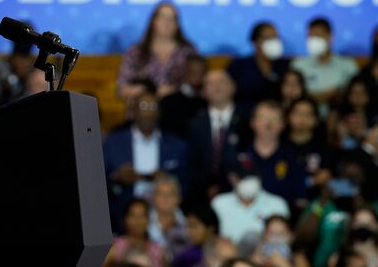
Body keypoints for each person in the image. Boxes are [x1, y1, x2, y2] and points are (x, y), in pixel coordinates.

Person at [102, 86, 190, 233]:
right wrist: (117, 177)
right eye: (143, 106)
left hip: (165, 220)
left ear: (160, 112)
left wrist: (168, 180)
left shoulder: (177, 145)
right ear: (133, 111)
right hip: (122, 216)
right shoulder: (113, 142)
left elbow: (188, 182)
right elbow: (97, 180)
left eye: (153, 106)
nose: (148, 111)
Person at [186, 70, 250, 202]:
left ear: (233, 87)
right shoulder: (194, 124)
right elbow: (191, 162)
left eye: (221, 82)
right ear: (203, 91)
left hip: (239, 193)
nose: (217, 86)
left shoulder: (248, 121)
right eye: (210, 83)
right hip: (201, 195)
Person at [117, 1, 197, 102]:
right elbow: (122, 89)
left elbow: (197, 86)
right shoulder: (135, 52)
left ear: (178, 24)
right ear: (153, 21)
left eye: (172, 19)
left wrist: (174, 91)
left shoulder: (188, 53)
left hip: (179, 111)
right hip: (141, 112)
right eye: (162, 17)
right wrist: (149, 91)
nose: (167, 23)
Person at [291, 17, 358, 116]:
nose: (313, 41)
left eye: (318, 36)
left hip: (339, 117)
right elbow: (293, 94)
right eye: (310, 37)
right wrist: (329, 95)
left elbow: (354, 95)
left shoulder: (348, 66)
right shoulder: (298, 65)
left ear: (330, 36)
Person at [211, 175, 290, 256]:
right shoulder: (219, 203)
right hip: (227, 257)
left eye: (250, 177)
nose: (247, 182)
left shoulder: (277, 204)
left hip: (266, 257)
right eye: (243, 177)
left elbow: (286, 239)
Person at [226, 21, 289, 115]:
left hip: (276, 119)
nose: (274, 42)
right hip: (244, 117)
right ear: (255, 41)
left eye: (276, 38)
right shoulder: (239, 65)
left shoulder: (284, 66)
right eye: (269, 38)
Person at [104, 198, 167, 267]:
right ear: (125, 219)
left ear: (148, 219)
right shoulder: (114, 248)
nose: (138, 221)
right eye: (133, 215)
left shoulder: (158, 251)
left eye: (142, 215)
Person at [173, 203, 239, 267]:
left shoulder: (226, 247)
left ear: (211, 228)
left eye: (194, 226)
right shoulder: (187, 254)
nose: (189, 231)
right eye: (188, 226)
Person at [147, 173, 191, 262]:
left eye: (171, 194)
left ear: (179, 198)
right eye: (160, 194)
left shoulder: (189, 224)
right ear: (153, 197)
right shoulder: (144, 222)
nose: (165, 198)